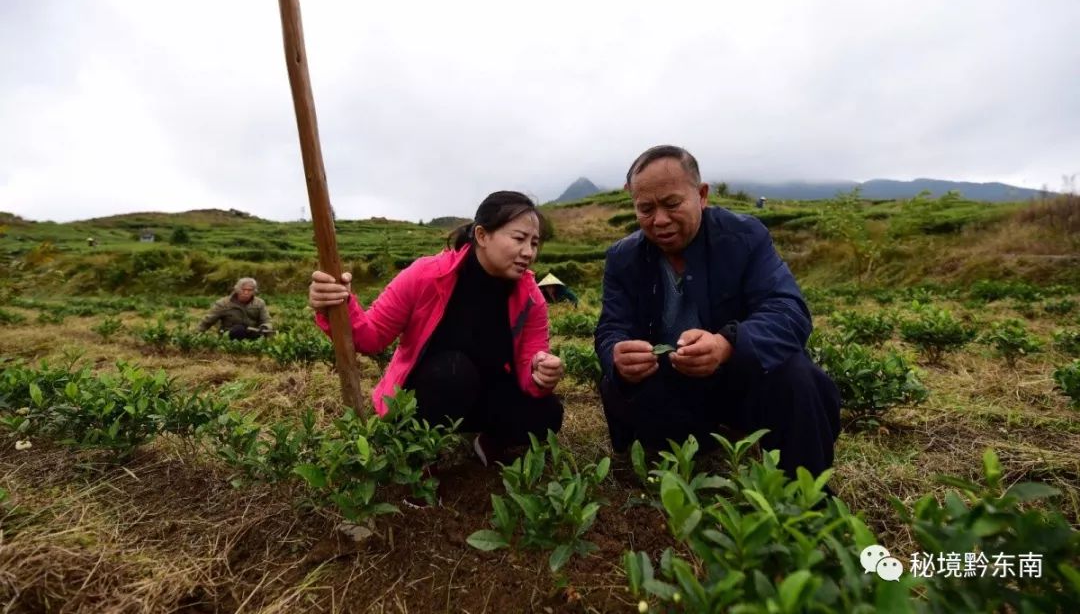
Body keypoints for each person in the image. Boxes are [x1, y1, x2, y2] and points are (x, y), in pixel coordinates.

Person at [595, 146, 840, 478]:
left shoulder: (745, 236)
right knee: (616, 386)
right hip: (669, 385)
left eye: (671, 204)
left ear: (702, 195)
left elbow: (788, 311)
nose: (660, 220)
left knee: (798, 375)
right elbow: (612, 325)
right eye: (646, 208)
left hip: (737, 377)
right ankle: (669, 450)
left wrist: (728, 344)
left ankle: (808, 496)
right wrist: (616, 354)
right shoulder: (623, 258)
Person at [308, 191, 566, 465]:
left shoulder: (530, 297)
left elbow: (530, 361)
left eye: (534, 242)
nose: (529, 252)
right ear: (482, 236)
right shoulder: (426, 275)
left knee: (547, 413)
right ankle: (416, 455)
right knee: (453, 371)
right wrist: (338, 305)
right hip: (427, 396)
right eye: (519, 239)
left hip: (485, 394)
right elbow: (372, 337)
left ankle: (489, 441)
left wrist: (541, 373)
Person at [198, 277, 274, 340]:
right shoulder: (223, 303)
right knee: (239, 329)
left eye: (249, 290)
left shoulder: (259, 303)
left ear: (254, 291)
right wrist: (196, 336)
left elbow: (267, 320)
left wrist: (264, 327)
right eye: (243, 289)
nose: (246, 292)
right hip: (229, 334)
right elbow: (207, 321)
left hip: (251, 333)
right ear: (237, 289)